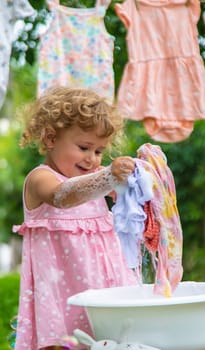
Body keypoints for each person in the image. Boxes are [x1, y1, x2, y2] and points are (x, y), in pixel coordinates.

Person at [13, 86, 137, 350]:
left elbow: (129, 203)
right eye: (84, 147)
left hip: (105, 286)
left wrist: (136, 182)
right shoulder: (41, 179)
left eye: (99, 151)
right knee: (68, 343)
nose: (92, 159)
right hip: (63, 293)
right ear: (50, 138)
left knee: (113, 340)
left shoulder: (95, 180)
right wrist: (107, 178)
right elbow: (63, 196)